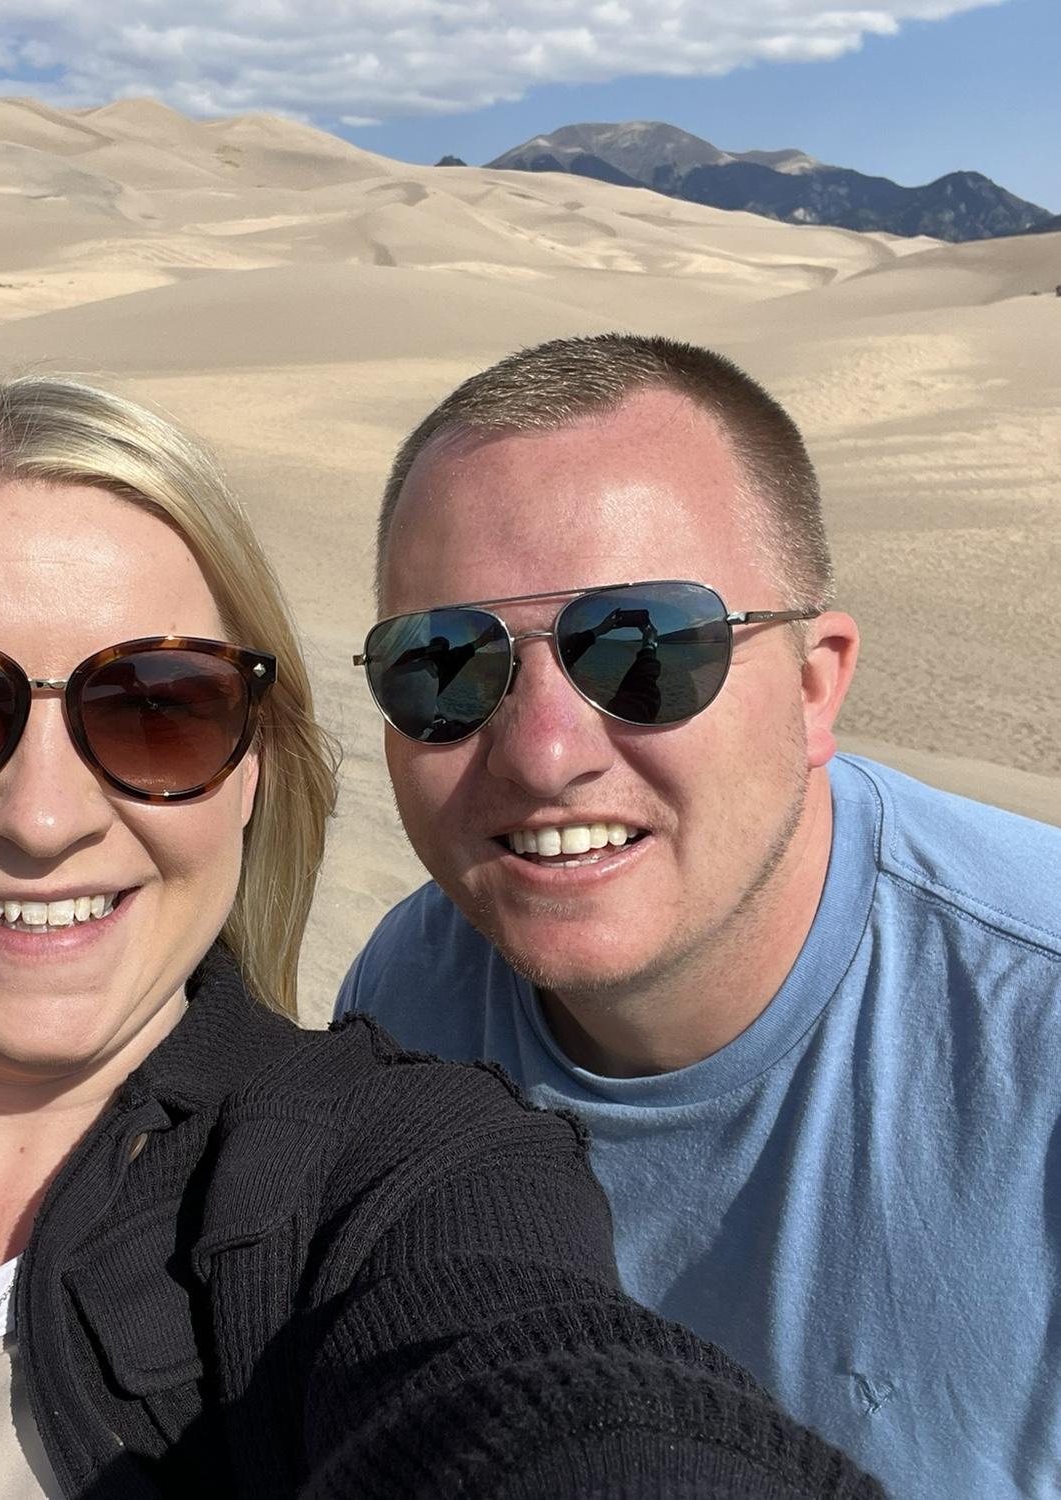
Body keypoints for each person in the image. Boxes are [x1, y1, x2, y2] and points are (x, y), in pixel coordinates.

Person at [0, 374, 881, 1499]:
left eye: (157, 711)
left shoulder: (395, 1172)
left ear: (259, 758)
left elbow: (548, 1391)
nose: (42, 818)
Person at [337, 332, 1061, 1500]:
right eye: (445, 666)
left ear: (816, 683)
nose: (544, 754)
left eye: (642, 652)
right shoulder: (405, 997)